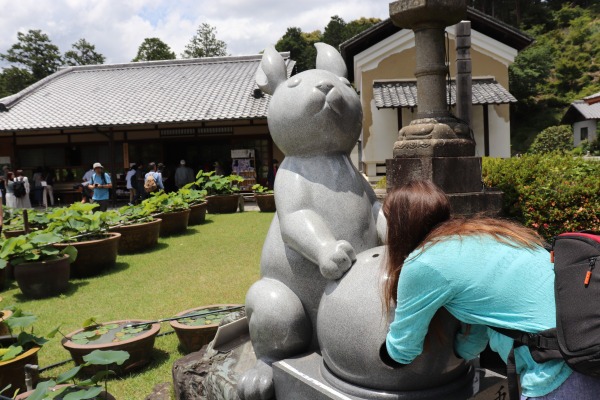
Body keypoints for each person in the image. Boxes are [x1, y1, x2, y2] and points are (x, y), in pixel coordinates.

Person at [381, 180, 600, 399]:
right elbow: (480, 323)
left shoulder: (422, 264)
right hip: (587, 345)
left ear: (398, 226)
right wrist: (461, 352)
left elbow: (403, 349)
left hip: (556, 368)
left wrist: (378, 358)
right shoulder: (485, 233)